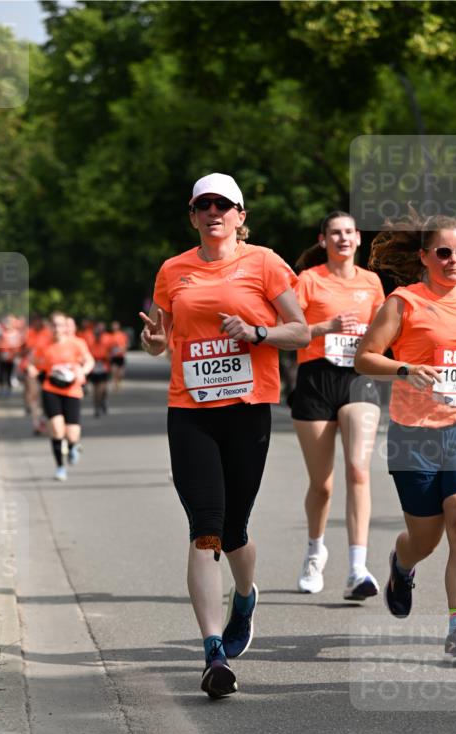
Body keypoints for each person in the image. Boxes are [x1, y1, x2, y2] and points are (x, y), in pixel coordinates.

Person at [140, 173, 309, 699]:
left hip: (247, 411)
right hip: (190, 412)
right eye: (204, 205)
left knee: (234, 530)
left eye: (223, 204)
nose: (214, 212)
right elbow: (159, 339)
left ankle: (245, 595)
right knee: (205, 528)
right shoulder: (173, 270)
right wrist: (152, 341)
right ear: (193, 215)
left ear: (240, 215)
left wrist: (257, 332)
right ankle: (213, 652)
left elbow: (301, 331)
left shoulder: (265, 263)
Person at [354, 214, 456, 665]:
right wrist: (405, 369)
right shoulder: (403, 303)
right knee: (424, 538)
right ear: (424, 256)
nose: (454, 260)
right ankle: (402, 565)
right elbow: (365, 358)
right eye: (443, 252)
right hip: (416, 433)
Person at [290, 212, 386, 600]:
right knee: (323, 485)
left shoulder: (372, 282)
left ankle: (357, 569)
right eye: (335, 233)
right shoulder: (309, 280)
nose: (343, 238)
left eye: (349, 232)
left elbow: (386, 332)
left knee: (358, 471)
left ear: (359, 238)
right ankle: (315, 552)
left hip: (358, 379)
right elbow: (291, 333)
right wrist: (325, 327)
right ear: (323, 240)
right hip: (315, 380)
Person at [28, 311, 94, 481]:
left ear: (66, 327)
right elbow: (33, 364)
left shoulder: (77, 343)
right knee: (57, 430)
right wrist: (32, 370)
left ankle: (73, 446)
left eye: (60, 325)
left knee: (72, 435)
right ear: (50, 327)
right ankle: (60, 467)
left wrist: (82, 371)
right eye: (54, 325)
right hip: (51, 389)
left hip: (72, 391)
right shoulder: (43, 345)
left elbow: (89, 361)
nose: (57, 328)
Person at [79, 320, 111, 416]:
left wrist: (107, 358)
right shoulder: (90, 341)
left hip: (104, 368)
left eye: (99, 333)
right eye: (96, 333)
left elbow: (111, 353)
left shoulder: (107, 340)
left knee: (103, 389)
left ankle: (102, 400)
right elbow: (86, 355)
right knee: (96, 390)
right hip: (94, 369)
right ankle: (96, 407)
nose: (97, 335)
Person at [107, 320, 130, 390]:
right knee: (114, 371)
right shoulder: (110, 336)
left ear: (119, 326)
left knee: (121, 373)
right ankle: (115, 384)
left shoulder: (122, 335)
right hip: (114, 357)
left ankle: (119, 381)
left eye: (116, 325)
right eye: (113, 326)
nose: (114, 327)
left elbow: (126, 344)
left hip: (121, 356)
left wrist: (123, 350)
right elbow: (108, 346)